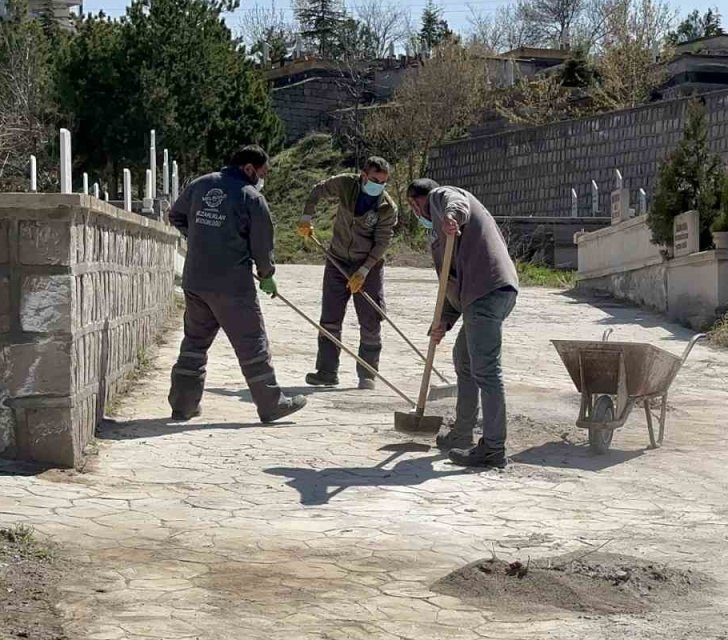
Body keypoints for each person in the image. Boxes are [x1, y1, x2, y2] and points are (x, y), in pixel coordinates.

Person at [167, 145, 306, 423]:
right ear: (249, 169)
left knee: (194, 343)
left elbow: (175, 215)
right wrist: (267, 276)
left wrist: (199, 237)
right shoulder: (251, 198)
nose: (263, 178)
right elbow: (262, 245)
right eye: (263, 172)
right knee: (252, 344)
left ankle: (183, 404)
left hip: (195, 280)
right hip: (231, 286)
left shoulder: (200, 184)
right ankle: (271, 404)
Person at [405, 178, 519, 468]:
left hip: (486, 291)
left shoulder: (440, 198)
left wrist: (452, 217)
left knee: (486, 370)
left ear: (414, 203)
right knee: (464, 359)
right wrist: (444, 319)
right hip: (486, 293)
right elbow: (452, 280)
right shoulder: (441, 237)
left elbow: (456, 203)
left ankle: (493, 449)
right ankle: (462, 433)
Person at [297, 157, 398, 389]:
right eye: (374, 180)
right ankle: (326, 372)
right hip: (337, 259)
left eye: (383, 182)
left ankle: (368, 374)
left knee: (370, 320)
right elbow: (317, 190)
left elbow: (382, 243)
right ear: (363, 176)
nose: (378, 186)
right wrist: (306, 216)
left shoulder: (386, 208)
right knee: (330, 318)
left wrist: (364, 270)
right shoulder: (346, 184)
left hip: (367, 266)